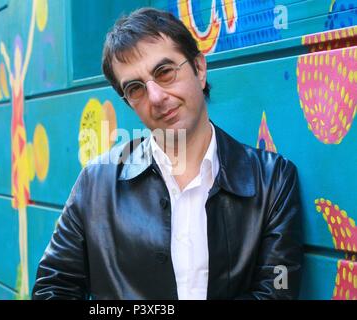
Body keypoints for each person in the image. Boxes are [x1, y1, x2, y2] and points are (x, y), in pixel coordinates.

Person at [32, 7, 302, 300]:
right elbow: (53, 289)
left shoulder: (272, 179)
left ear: (199, 69)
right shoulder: (96, 184)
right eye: (135, 88)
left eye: (165, 72)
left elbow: (277, 293)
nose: (157, 97)